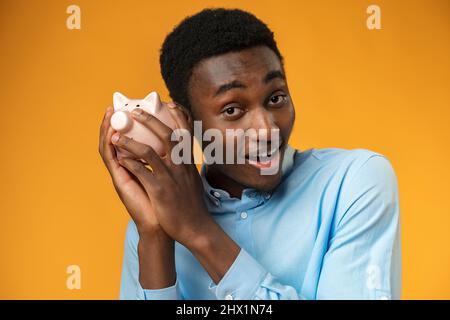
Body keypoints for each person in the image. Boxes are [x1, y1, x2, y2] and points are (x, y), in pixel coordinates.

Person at [98, 8, 401, 300]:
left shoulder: (354, 181)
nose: (266, 129)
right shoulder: (152, 222)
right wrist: (154, 238)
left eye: (275, 97)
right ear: (186, 123)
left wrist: (198, 231)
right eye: (232, 109)